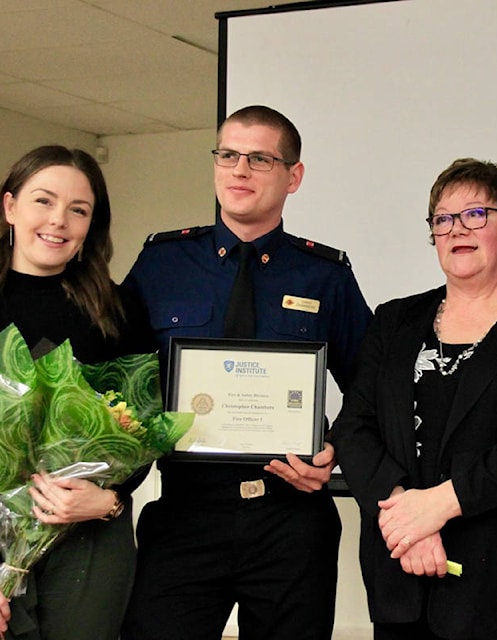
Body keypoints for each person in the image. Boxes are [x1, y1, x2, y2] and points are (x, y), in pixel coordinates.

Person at [120, 104, 372, 640]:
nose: (239, 171)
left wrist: (336, 452)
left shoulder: (324, 275)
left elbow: (372, 388)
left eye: (260, 159)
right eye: (228, 155)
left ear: (293, 176)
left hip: (290, 517)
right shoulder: (161, 265)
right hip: (185, 513)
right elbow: (118, 380)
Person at [331, 158, 497, 640]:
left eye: (476, 214)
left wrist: (441, 505)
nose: (456, 230)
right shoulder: (393, 321)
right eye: (443, 219)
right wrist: (404, 511)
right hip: (402, 579)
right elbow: (353, 426)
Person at [0, 145, 155, 639]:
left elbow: (140, 431)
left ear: (91, 225)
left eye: (78, 210)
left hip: (89, 533)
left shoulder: (119, 309)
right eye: (44, 200)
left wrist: (108, 499)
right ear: (10, 207)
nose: (59, 220)